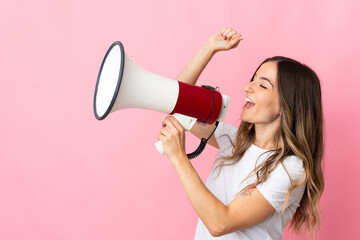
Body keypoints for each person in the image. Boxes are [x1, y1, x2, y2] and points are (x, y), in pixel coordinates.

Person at [157, 27, 324, 239]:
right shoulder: (235, 141)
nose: (247, 87)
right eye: (252, 79)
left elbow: (221, 223)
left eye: (262, 85)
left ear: (287, 105)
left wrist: (179, 158)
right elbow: (177, 104)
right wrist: (208, 49)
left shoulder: (291, 169)